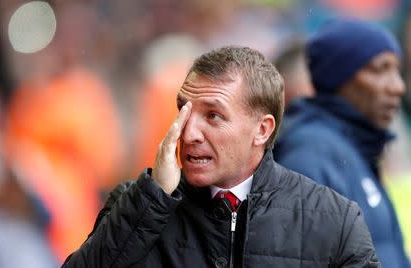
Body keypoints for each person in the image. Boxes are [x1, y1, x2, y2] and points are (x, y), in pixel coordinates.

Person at [62, 46, 379, 267]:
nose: (189, 133)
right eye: (184, 112)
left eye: (213, 116)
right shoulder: (138, 206)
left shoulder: (334, 219)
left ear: (262, 130)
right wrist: (153, 198)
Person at [274, 18, 411, 267]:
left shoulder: (353, 148)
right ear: (341, 77)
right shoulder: (310, 155)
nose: (398, 87)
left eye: (397, 71)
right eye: (381, 69)